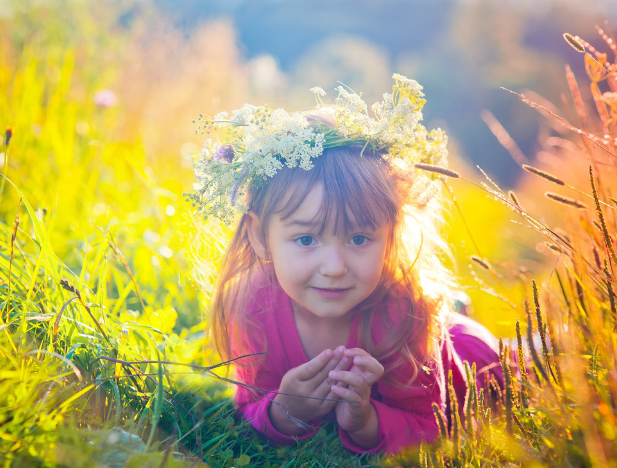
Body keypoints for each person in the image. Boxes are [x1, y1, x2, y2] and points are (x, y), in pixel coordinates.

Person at [193, 75, 502, 455]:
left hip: (471, 361)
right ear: (260, 237)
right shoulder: (252, 303)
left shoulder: (405, 312)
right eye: (306, 239)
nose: (335, 267)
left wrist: (367, 421)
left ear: (390, 235)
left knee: (510, 363)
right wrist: (284, 410)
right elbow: (248, 412)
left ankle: (464, 326)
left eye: (359, 238)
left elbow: (432, 428)